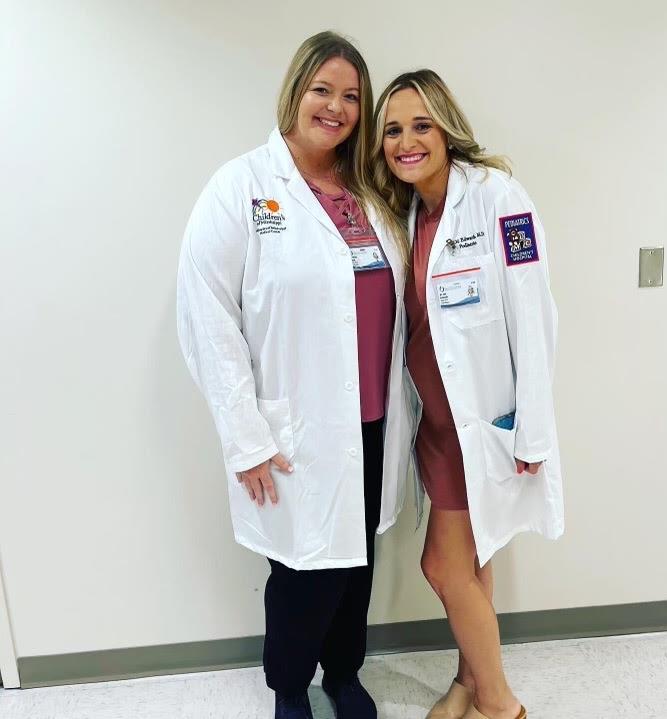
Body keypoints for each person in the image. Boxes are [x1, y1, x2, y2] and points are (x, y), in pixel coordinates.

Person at [177, 31, 412, 719]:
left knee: (356, 561)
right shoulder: (243, 186)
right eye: (323, 90)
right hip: (294, 424)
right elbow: (206, 313)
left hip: (372, 417)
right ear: (295, 91)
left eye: (351, 96)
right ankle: (288, 683)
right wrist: (244, 435)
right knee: (302, 568)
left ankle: (343, 674)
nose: (336, 107)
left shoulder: (370, 193)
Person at [372, 70, 564, 719]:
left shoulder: (499, 199)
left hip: (481, 427)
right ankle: (468, 683)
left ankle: (502, 705)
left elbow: (535, 316)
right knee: (472, 562)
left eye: (420, 125)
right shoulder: (404, 213)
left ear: (446, 127)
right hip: (434, 427)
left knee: (443, 566)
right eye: (393, 130)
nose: (406, 141)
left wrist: (534, 428)